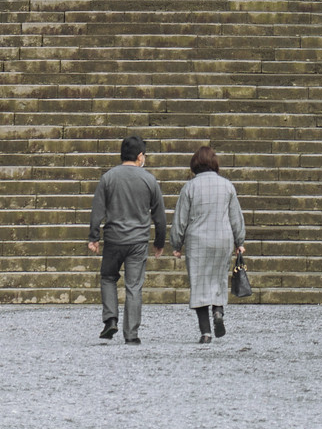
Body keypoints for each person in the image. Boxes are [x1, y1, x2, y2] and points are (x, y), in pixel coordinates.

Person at [87, 134, 166, 345]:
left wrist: (94, 236)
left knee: (108, 278)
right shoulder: (149, 179)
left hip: (114, 238)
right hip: (138, 242)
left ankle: (110, 318)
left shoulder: (109, 177)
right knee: (134, 286)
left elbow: (97, 209)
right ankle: (131, 334)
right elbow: (159, 215)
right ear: (140, 156)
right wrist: (159, 242)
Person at [171, 144, 247, 345]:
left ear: (195, 165)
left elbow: (181, 219)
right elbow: (236, 218)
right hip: (222, 239)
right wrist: (240, 241)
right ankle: (218, 311)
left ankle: (205, 332)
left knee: (199, 284)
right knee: (219, 279)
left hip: (198, 241)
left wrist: (176, 244)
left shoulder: (189, 187)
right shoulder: (227, 186)